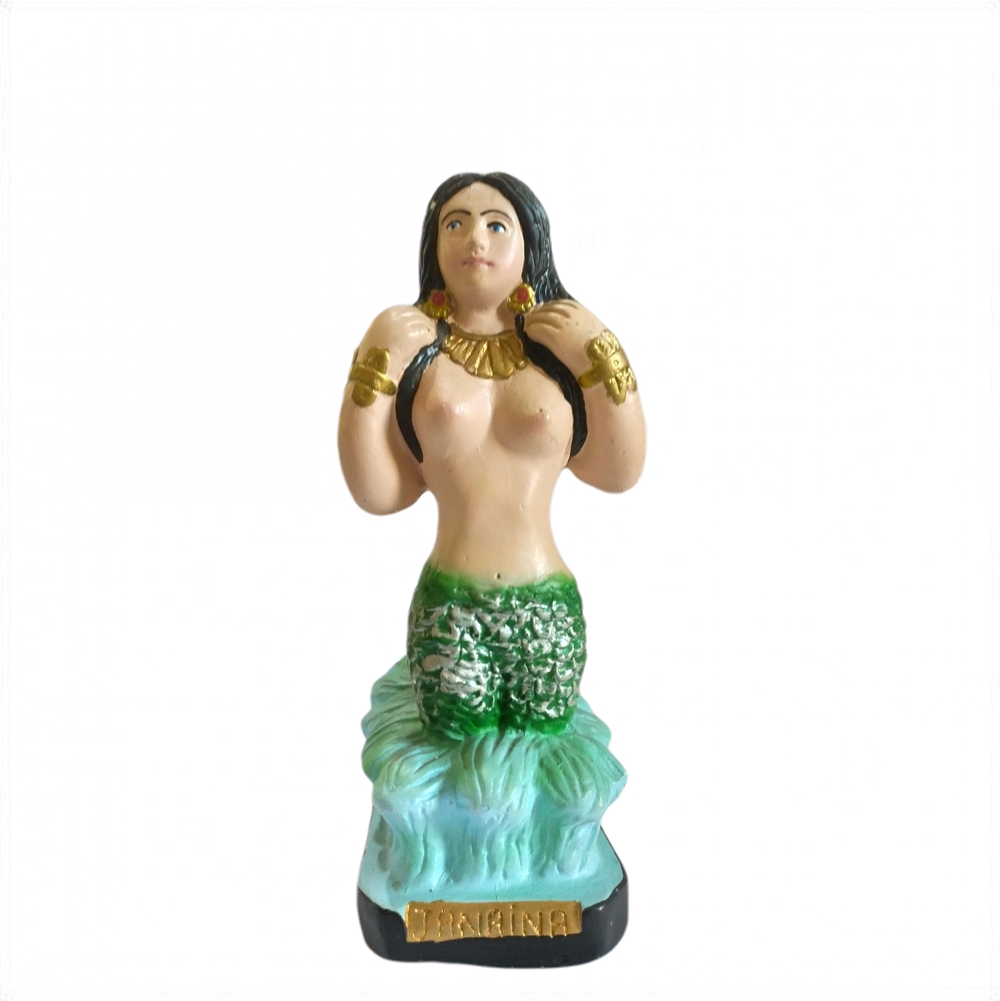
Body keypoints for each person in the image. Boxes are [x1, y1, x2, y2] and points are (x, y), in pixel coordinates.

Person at [339, 172, 645, 740]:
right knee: (459, 750)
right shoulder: (417, 350)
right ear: (434, 246)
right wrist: (374, 367)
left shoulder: (558, 350)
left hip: (545, 603)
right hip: (450, 607)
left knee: (542, 748)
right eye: (455, 224)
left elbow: (618, 471)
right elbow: (379, 494)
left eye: (496, 225)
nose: (475, 238)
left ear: (530, 243)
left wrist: (599, 351)